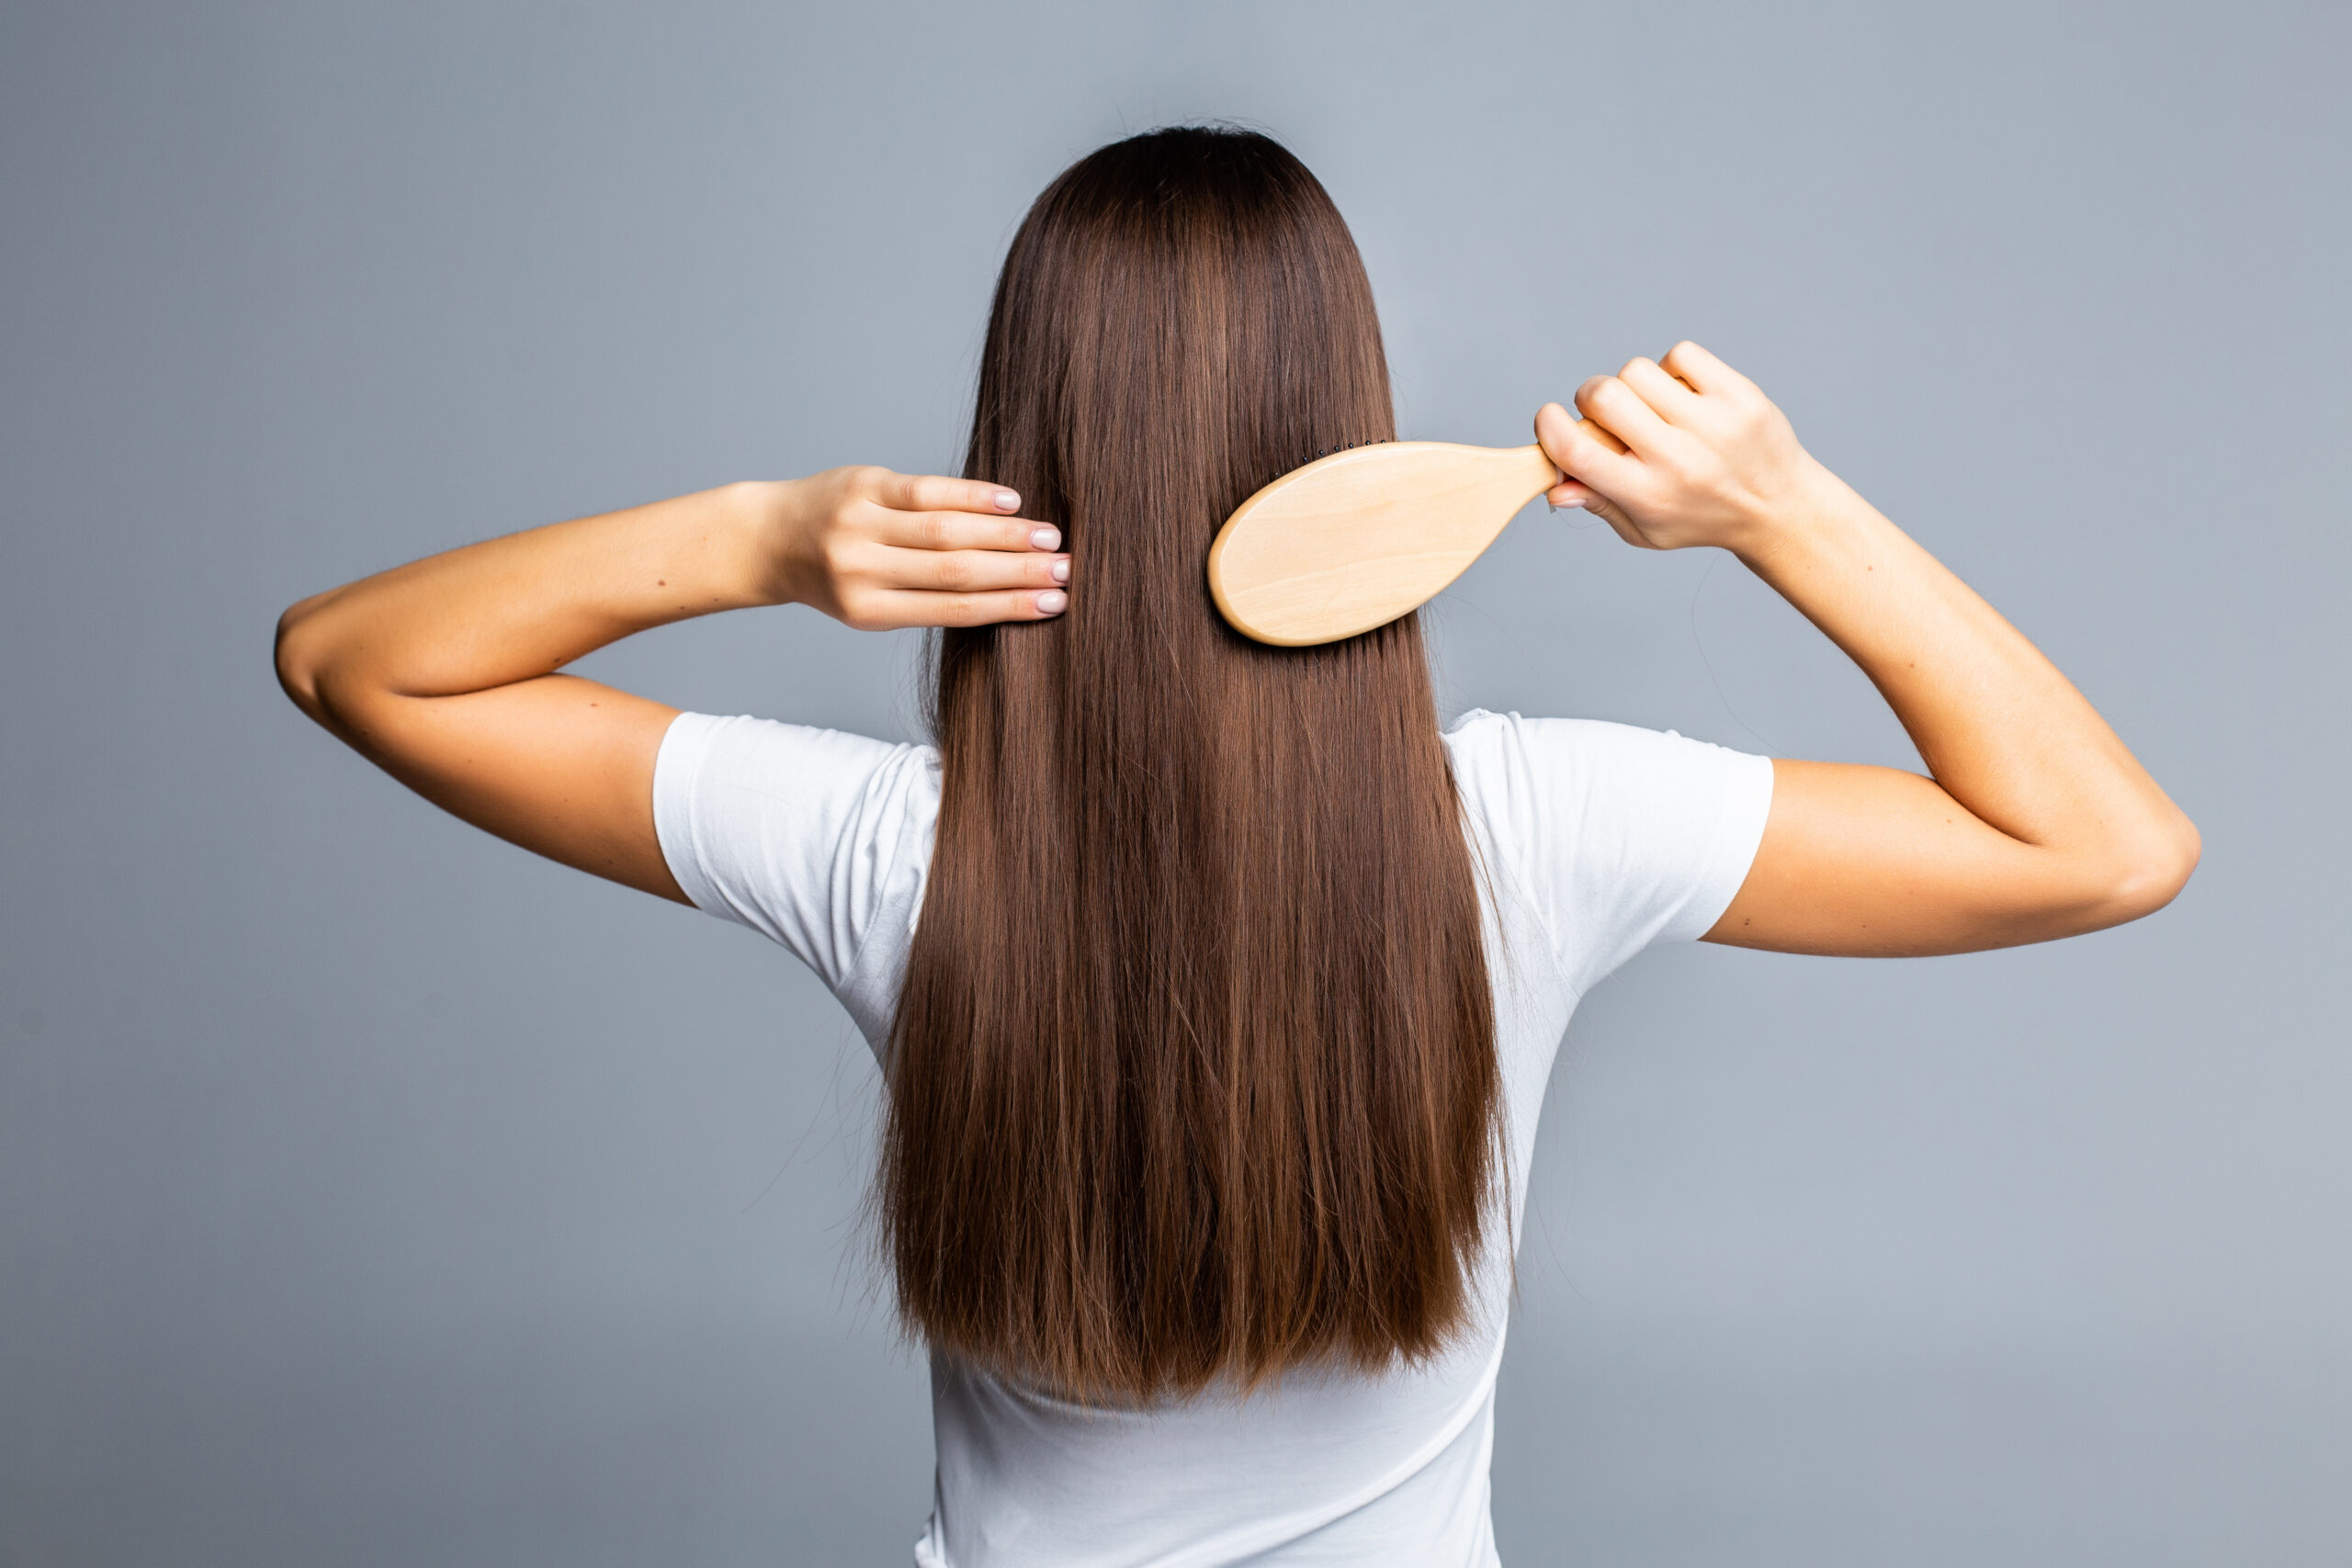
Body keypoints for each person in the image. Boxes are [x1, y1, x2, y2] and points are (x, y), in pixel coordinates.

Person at [273, 127, 2198, 1567]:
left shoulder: (899, 854)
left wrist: (765, 536)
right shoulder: (1524, 830)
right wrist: (1783, 507)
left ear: (1023, 441)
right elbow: (2099, 847)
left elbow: (357, 666)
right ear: (1341, 429)